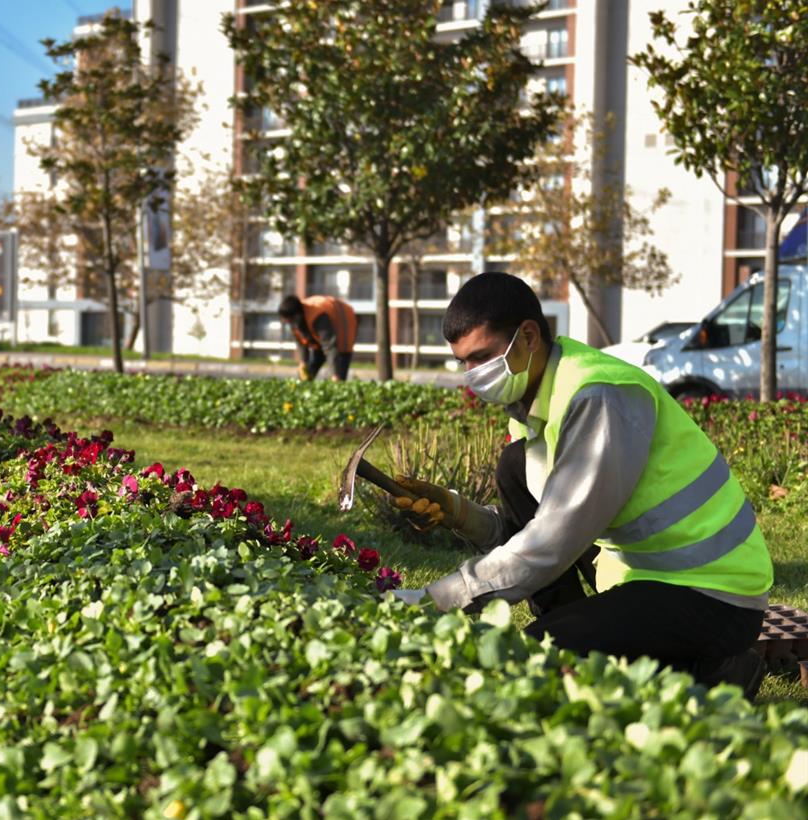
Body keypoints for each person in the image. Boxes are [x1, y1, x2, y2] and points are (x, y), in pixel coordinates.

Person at [385, 272, 771, 698]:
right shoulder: (536, 398)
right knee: (514, 466)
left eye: (483, 357)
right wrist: (461, 515)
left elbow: (549, 543)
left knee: (540, 653)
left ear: (529, 336)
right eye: (464, 363)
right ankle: (587, 634)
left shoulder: (598, 394)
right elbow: (533, 528)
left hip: (710, 592)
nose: (473, 376)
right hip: (643, 573)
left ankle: (717, 669)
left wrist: (433, 599)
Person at [278, 294, 357, 381]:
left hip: (343, 322)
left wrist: (335, 374)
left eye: (290, 321)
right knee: (308, 371)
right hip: (318, 339)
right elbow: (301, 341)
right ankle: (306, 385)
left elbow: (329, 346)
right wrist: (303, 362)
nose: (289, 324)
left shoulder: (318, 316)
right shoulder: (294, 320)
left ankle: (338, 382)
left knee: (339, 368)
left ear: (297, 316)